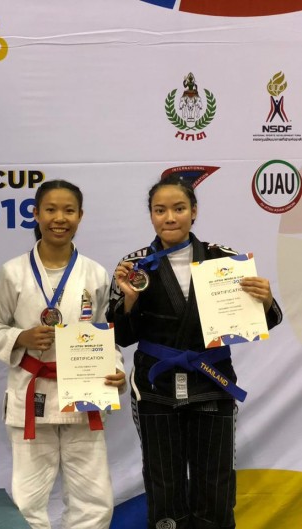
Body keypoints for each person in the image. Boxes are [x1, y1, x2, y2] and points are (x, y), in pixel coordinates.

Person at [107, 174, 283, 529]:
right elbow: (121, 336)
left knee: (215, 478)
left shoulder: (224, 259)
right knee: (163, 478)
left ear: (194, 211)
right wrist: (129, 300)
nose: (169, 217)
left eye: (179, 208)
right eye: (160, 210)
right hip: (155, 386)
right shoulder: (134, 266)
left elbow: (268, 320)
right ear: (151, 215)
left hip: (211, 381)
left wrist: (265, 300)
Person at [0, 180, 126, 529]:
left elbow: (108, 334)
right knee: (27, 502)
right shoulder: (12, 272)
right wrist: (20, 336)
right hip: (33, 393)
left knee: (94, 500)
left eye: (69, 210)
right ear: (35, 214)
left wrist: (116, 370)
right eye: (51, 210)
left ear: (80, 216)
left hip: (84, 395)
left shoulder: (95, 273)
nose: (60, 218)